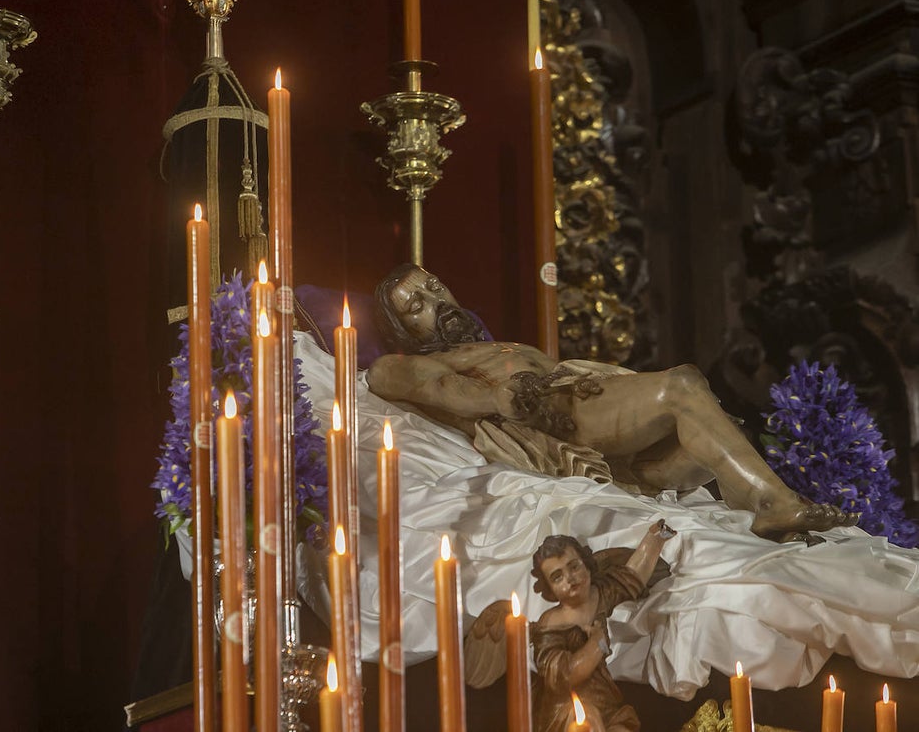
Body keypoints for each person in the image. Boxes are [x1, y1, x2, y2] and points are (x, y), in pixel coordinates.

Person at [367, 263, 856, 538]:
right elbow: (441, 390)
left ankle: (771, 518)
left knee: (712, 436)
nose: (438, 302)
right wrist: (498, 393)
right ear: (400, 330)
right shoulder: (398, 365)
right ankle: (775, 501)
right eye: (418, 307)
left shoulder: (493, 345)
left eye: (435, 286)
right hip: (553, 416)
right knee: (682, 385)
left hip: (593, 426)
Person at [528, 522, 674, 732]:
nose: (570, 579)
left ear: (587, 564)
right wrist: (597, 643)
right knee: (589, 722)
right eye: (557, 577)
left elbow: (633, 576)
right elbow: (563, 677)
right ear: (549, 589)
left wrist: (654, 539)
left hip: (603, 698)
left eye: (574, 566)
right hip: (564, 709)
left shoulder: (599, 594)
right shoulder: (550, 625)